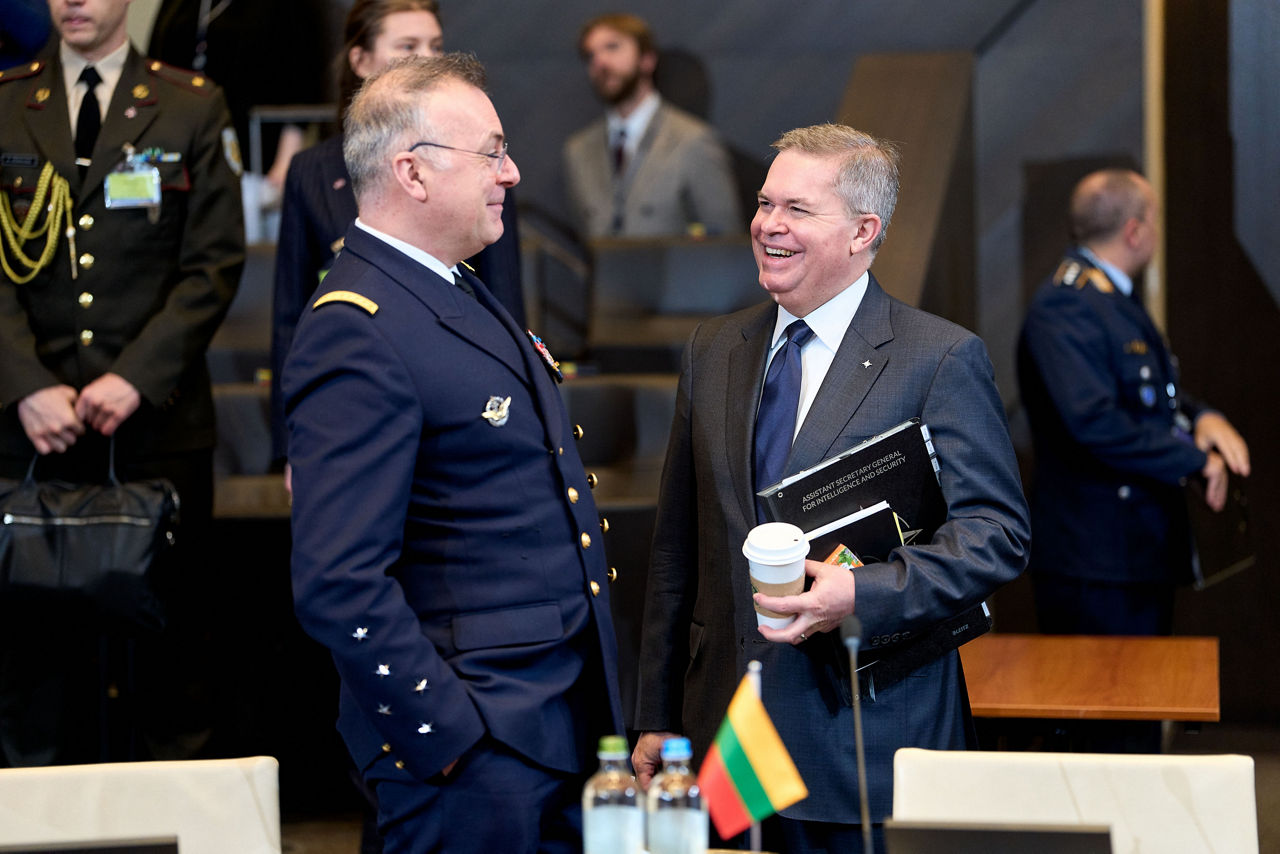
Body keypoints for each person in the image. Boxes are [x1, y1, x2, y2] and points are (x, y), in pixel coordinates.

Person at [630, 124, 1030, 853]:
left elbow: (997, 534)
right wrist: (655, 712)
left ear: (862, 231)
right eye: (763, 203)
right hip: (726, 741)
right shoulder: (713, 349)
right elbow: (675, 555)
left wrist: (861, 594)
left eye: (796, 210)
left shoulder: (938, 358)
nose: (767, 225)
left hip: (866, 740)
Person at [283, 54, 623, 853]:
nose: (510, 171)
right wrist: (447, 740)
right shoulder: (356, 327)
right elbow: (339, 581)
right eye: (491, 152)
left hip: (547, 728)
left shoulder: (450, 287)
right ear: (413, 172)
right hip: (475, 752)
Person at [0, 0, 243, 764]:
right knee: (29, 667)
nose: (73, 1)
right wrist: (24, 384)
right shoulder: (6, 103)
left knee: (172, 656)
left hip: (155, 426)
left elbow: (214, 263)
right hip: (29, 430)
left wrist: (135, 376)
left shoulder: (189, 104)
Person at [270, 0, 524, 468]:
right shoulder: (312, 172)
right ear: (361, 61)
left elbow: (502, 299)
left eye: (436, 46)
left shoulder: (482, 170)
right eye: (407, 48)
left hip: (460, 393)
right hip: (356, 395)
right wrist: (291, 443)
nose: (427, 59)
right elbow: (292, 313)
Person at [1018, 170, 1249, 640]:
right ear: (1135, 231)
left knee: (1141, 707)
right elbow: (1095, 421)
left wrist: (1200, 415)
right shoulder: (1068, 305)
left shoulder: (1108, 297)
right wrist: (1194, 459)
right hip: (1097, 559)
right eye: (1155, 220)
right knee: (1105, 709)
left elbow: (1143, 389)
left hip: (1132, 553)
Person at [562, 12, 741, 239]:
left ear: (647, 59)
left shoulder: (694, 141)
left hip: (675, 273)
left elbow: (724, 242)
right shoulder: (578, 151)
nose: (600, 61)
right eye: (590, 55)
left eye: (612, 47)